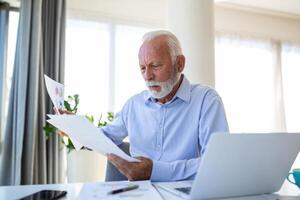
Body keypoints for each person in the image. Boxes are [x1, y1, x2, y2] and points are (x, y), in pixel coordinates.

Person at [59, 30, 229, 182]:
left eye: (155, 66)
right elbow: (106, 139)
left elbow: (216, 162)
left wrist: (155, 171)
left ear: (179, 64)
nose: (148, 76)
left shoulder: (207, 100)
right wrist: (77, 130)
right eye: (142, 68)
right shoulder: (134, 105)